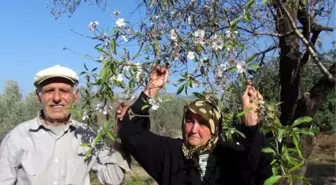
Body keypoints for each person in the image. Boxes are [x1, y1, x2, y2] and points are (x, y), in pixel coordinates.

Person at [116, 65, 272, 185]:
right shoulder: (170, 153)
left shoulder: (231, 156)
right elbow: (131, 134)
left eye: (203, 123)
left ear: (215, 128)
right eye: (190, 121)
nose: (193, 129)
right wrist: (151, 91)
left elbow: (261, 173)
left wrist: (251, 125)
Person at [0, 65, 130, 185]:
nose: (57, 98)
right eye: (49, 91)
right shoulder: (17, 136)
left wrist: (121, 132)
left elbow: (113, 179)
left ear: (75, 96)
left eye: (64, 91)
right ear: (38, 97)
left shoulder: (88, 136)